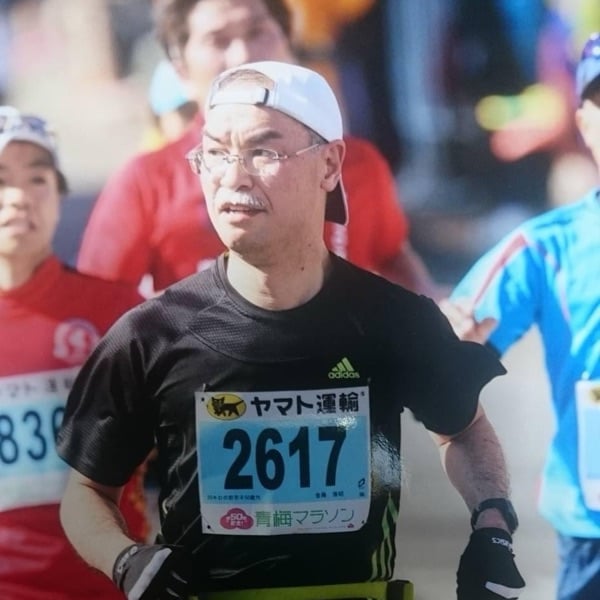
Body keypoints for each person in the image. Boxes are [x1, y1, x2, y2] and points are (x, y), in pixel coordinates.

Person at [57, 61, 525, 600]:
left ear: (329, 164)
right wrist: (126, 560)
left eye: (263, 151)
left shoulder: (395, 320)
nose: (234, 176)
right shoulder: (150, 335)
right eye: (216, 153)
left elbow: (463, 429)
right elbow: (86, 491)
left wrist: (493, 526)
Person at [75, 0, 439, 299]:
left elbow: (391, 256)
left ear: (289, 46)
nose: (243, 56)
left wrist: (436, 321)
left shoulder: (354, 163)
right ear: (181, 70)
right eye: (218, 40)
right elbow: (93, 305)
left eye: (257, 32)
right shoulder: (145, 183)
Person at [439, 32, 600, 600]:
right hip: (593, 530)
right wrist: (447, 345)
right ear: (584, 124)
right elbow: (446, 351)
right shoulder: (544, 248)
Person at [0, 106, 148, 598]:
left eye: (38, 179)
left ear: (59, 196)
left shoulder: (119, 313)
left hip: (111, 584)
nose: (19, 197)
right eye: (1, 180)